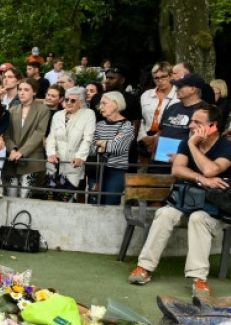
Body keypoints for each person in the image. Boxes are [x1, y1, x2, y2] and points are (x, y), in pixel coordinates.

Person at [128, 105, 230, 296]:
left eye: (197, 122)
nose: (191, 125)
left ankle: (198, 280)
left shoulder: (226, 147)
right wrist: (201, 178)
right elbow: (177, 169)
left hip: (214, 211)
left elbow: (211, 170)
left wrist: (193, 146)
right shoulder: (185, 141)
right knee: (164, 213)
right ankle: (144, 268)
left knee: (198, 218)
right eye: (191, 121)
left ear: (213, 126)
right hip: (185, 203)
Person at [2, 78, 50, 197]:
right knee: (10, 196)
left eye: (26, 90)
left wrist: (22, 152)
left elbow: (39, 133)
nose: (22, 92)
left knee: (25, 197)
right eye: (20, 89)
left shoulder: (43, 110)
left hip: (32, 158)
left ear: (34, 92)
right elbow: (6, 134)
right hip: (11, 160)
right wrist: (12, 150)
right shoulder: (12, 110)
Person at [45, 86, 96, 190]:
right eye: (67, 99)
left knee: (65, 199)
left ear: (81, 103)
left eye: (73, 100)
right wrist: (51, 153)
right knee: (50, 198)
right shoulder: (58, 115)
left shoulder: (89, 114)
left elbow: (87, 139)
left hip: (73, 164)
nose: (68, 102)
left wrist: (80, 157)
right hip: (54, 164)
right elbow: (51, 137)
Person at [92, 92, 134, 205]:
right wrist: (109, 143)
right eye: (100, 104)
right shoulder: (99, 124)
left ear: (116, 104)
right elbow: (91, 149)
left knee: (110, 201)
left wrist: (100, 143)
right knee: (94, 203)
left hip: (117, 170)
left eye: (104, 103)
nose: (100, 107)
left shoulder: (127, 125)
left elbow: (118, 148)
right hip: (98, 169)